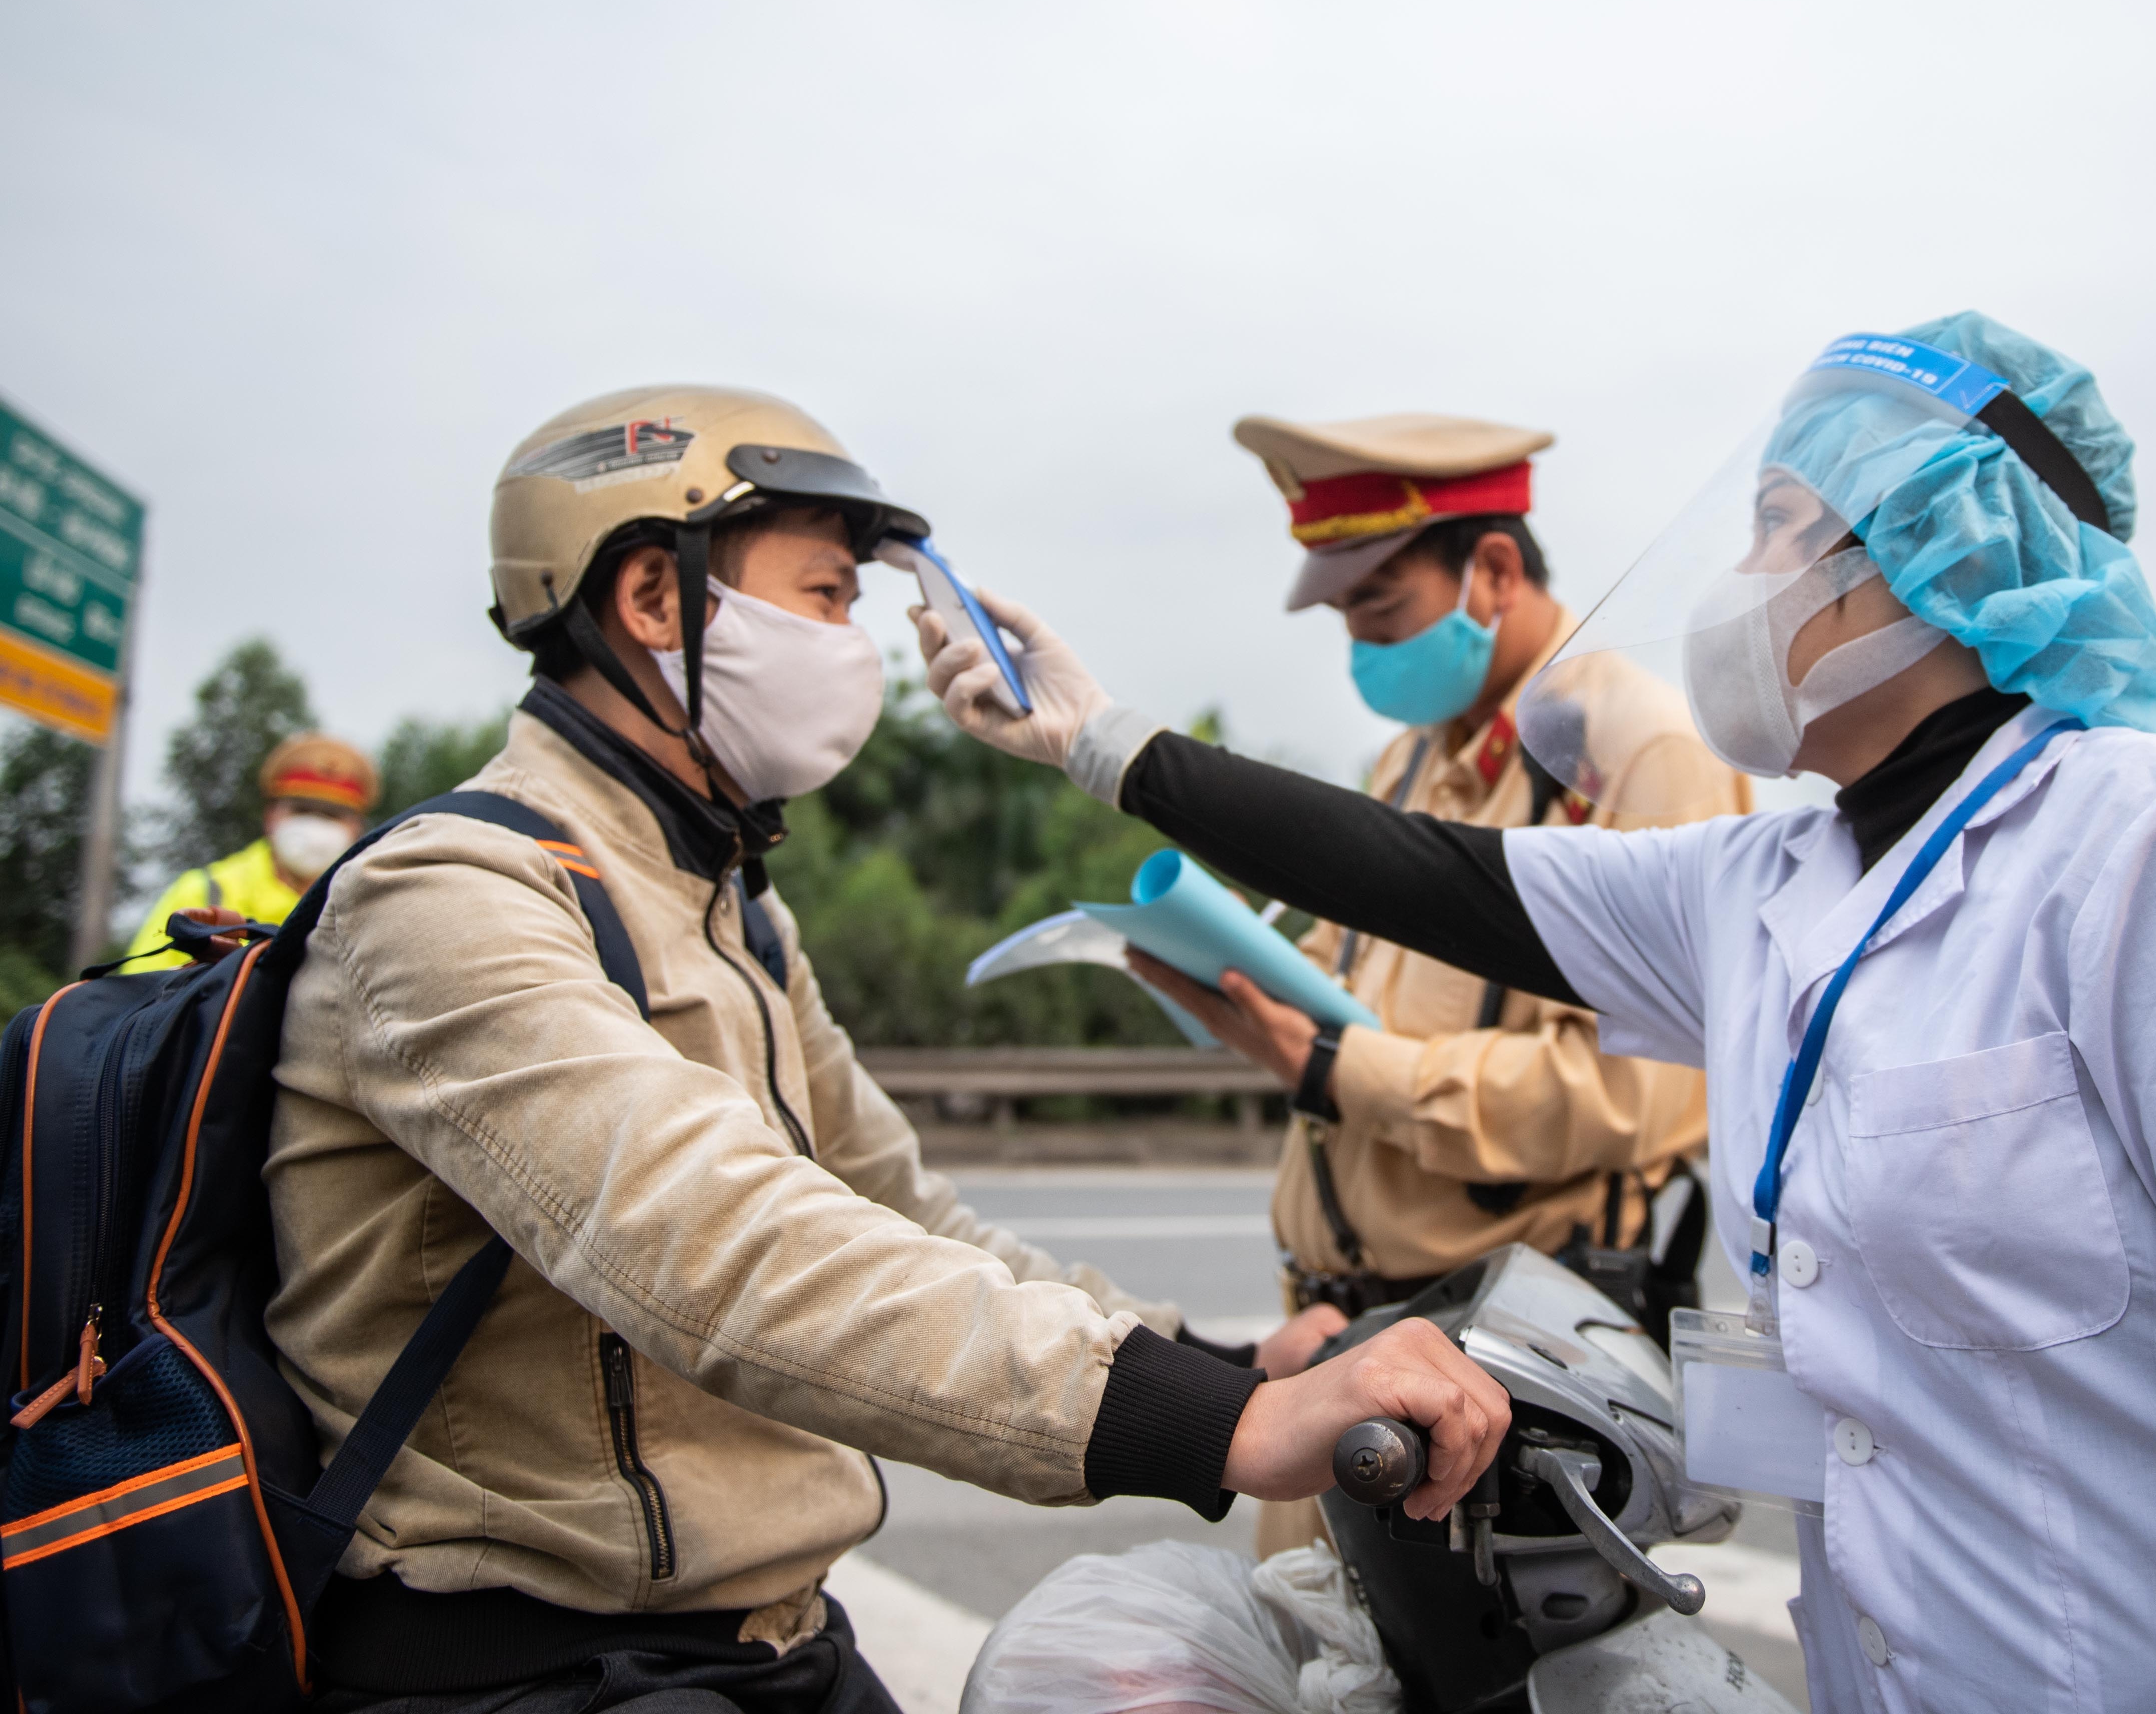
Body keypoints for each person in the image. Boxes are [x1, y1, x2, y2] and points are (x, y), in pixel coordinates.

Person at [921, 315, 2156, 1711]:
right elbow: (1440, 877)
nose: (1738, 577)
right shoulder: (1769, 878)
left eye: (1774, 526)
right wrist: (1098, 739)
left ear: (1928, 557)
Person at [268, 385, 1511, 1714]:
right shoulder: (453, 896)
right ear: (652, 600)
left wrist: (1216, 1361)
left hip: (757, 1638)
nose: (855, 643)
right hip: (533, 1661)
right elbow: (710, 1241)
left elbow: (899, 1214)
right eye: (823, 595)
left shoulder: (725, 902)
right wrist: (1222, 1432)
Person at [1137, 412, 1745, 1557]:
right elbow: (1359, 978)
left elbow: (1645, 1094)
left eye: (1378, 610)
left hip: (1500, 1372)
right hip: (1344, 1344)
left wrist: (1330, 1066)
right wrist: (1239, 976)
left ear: (1494, 573)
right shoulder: (1411, 759)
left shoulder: (1636, 749)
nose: (1361, 650)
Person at [122, 731, 377, 969]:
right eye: (302, 811)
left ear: (357, 829)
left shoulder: (375, 905)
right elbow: (138, 1006)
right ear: (271, 817)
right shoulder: (205, 893)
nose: (316, 828)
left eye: (332, 816)